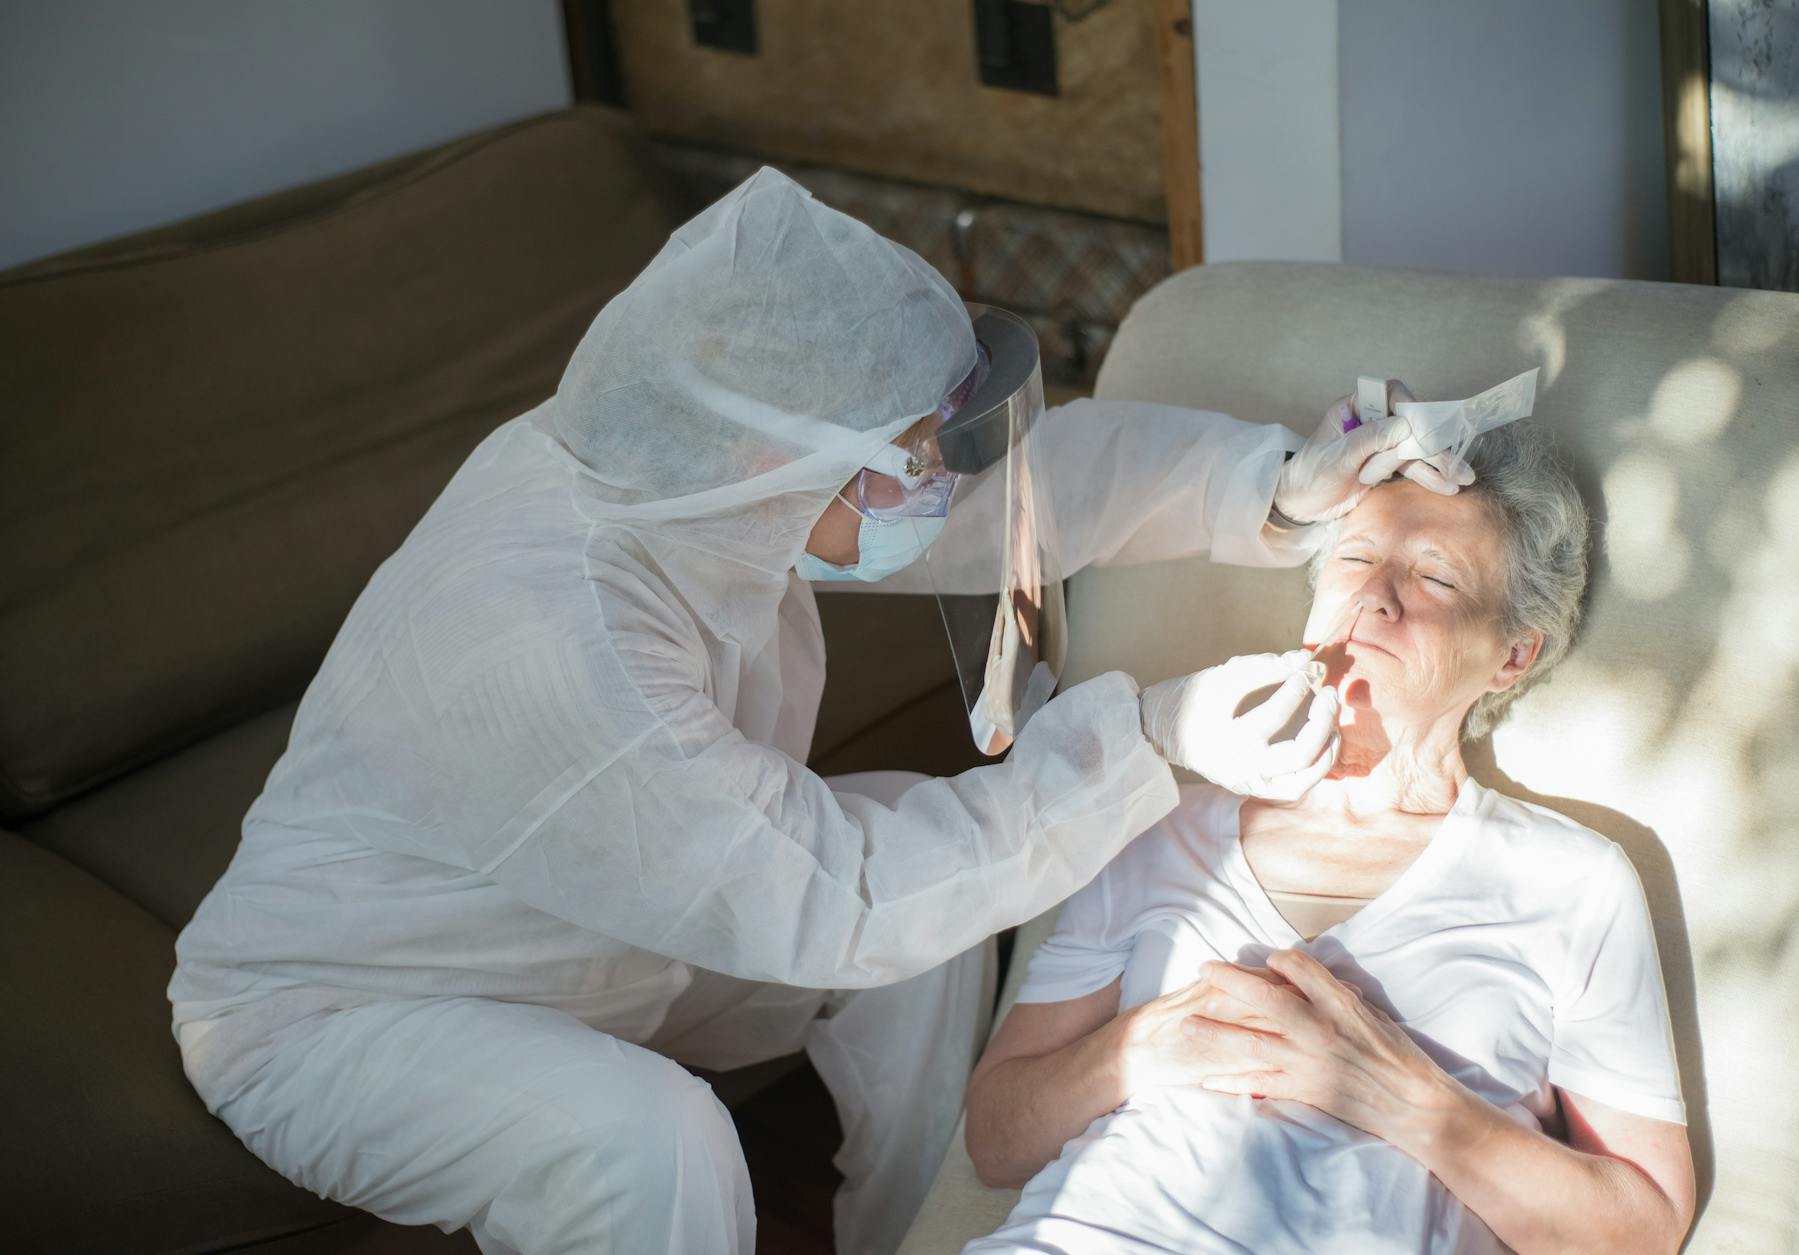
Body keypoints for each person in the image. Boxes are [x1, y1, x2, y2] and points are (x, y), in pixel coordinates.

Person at [166, 168, 1464, 1255]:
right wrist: (1152, 735)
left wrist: (1268, 483)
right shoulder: (558, 643)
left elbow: (1006, 496)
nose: (938, 479)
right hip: (349, 1014)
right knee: (648, 1141)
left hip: (609, 930)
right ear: (773, 459)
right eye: (917, 454)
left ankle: (914, 1235)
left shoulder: (688, 471)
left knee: (934, 932)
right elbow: (846, 898)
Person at [963, 424, 1697, 1254]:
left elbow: (1643, 1227)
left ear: (1512, 655)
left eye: (1436, 576)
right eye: (1354, 558)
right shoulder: (1156, 822)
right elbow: (993, 1138)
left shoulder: (1572, 880)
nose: (1376, 595)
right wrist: (1136, 1048)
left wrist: (1392, 1092)